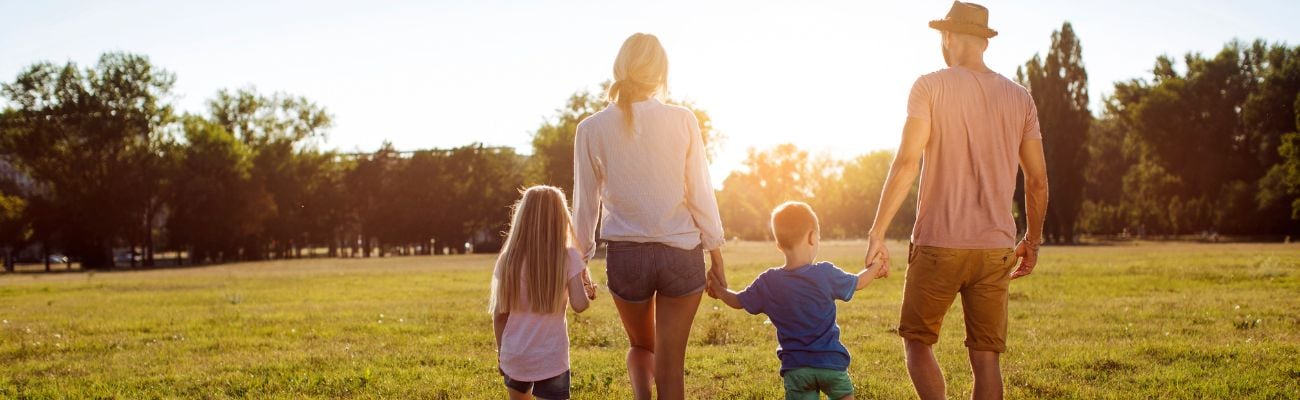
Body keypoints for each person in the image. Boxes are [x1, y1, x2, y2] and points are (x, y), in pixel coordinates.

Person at [861, 2, 1050, 399]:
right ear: (983, 41)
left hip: (937, 245)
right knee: (986, 360)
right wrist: (1032, 241)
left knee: (917, 342)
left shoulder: (929, 85)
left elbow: (907, 162)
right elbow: (1037, 181)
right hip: (996, 248)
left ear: (947, 37)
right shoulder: (1021, 98)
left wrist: (877, 232)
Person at [572, 33, 727, 400]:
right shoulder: (683, 119)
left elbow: (585, 204)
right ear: (661, 72)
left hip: (628, 259)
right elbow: (701, 193)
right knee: (671, 366)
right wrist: (716, 255)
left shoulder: (590, 128)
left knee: (642, 347)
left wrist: (579, 263)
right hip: (681, 254)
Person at [709, 202, 882, 400]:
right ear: (811, 237)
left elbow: (738, 300)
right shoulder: (824, 273)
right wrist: (875, 267)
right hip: (830, 364)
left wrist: (720, 291)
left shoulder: (769, 281)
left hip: (796, 369)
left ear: (779, 245)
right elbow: (858, 282)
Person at [490, 186, 598, 400]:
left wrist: (503, 354)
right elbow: (579, 305)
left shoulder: (508, 259)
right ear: (560, 218)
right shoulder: (568, 256)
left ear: (523, 216)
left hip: (515, 355)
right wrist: (588, 292)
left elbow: (500, 315)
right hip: (552, 357)